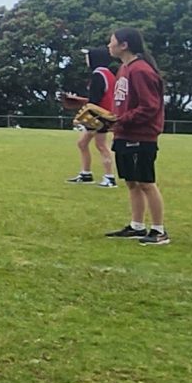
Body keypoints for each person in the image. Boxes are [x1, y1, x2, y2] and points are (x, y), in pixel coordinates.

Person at [103, 27, 169, 245]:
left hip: (141, 135)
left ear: (124, 45)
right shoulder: (124, 69)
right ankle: (137, 225)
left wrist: (121, 120)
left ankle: (159, 231)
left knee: (146, 182)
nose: (108, 45)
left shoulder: (140, 70)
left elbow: (149, 107)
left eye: (112, 42)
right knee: (131, 182)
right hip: (124, 133)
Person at [62, 47, 118, 187]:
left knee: (101, 145)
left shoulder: (98, 75)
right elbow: (100, 97)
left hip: (99, 115)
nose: (86, 59)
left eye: (88, 56)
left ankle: (109, 177)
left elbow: (94, 101)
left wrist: (80, 116)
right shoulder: (108, 74)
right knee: (83, 143)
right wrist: (78, 99)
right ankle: (86, 174)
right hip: (104, 113)